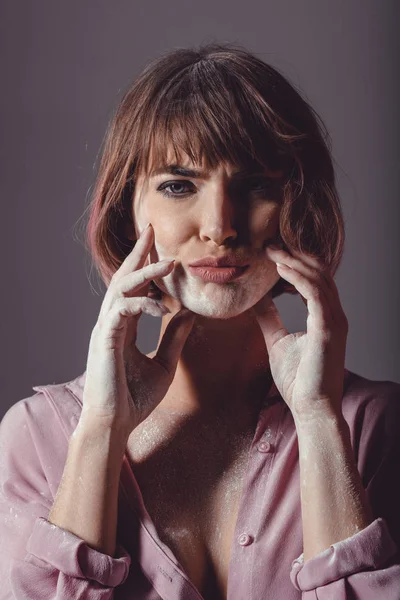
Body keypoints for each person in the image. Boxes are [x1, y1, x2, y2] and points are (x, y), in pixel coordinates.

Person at [0, 42, 399, 600]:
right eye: (178, 186)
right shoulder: (34, 439)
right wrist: (100, 432)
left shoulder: (378, 427)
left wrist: (319, 421)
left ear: (299, 204)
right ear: (127, 209)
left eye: (256, 185)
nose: (220, 226)